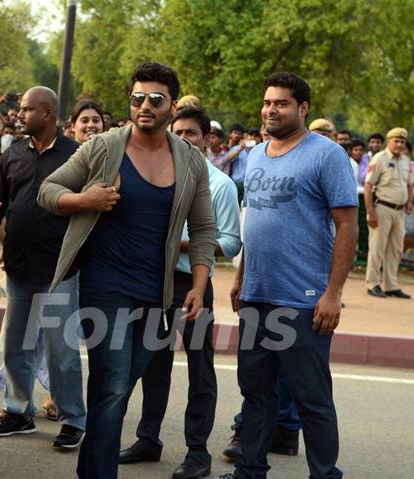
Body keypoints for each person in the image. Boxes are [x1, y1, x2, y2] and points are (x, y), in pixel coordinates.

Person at [38, 62, 218, 479]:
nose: (145, 106)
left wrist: (199, 284)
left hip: (159, 291)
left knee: (116, 388)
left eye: (156, 99)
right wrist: (85, 200)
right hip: (106, 287)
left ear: (172, 105)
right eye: (138, 98)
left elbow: (205, 228)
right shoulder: (103, 147)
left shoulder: (190, 160)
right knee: (114, 384)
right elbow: (49, 191)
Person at [220, 72, 358, 479]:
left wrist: (332, 293)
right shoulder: (258, 154)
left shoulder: (326, 155)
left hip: (302, 299)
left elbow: (347, 225)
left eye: (280, 103)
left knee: (311, 398)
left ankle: (324, 475)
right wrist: (241, 276)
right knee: (256, 394)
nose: (270, 110)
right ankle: (251, 470)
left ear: (303, 108)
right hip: (257, 295)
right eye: (267, 103)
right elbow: (257, 222)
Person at [119, 106, 241, 479]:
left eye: (193, 133)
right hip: (155, 282)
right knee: (152, 365)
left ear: (208, 139)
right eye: (180, 132)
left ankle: (198, 453)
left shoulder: (220, 184)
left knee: (200, 370)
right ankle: (148, 439)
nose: (185, 139)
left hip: (194, 286)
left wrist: (182, 243)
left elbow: (232, 243)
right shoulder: (159, 176)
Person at [0, 86, 87, 450]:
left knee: (62, 351)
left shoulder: (77, 156)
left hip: (61, 268)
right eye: (20, 109)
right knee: (16, 344)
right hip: (20, 265)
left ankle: (73, 418)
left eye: (27, 109)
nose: (20, 114)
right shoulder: (11, 155)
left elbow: (90, 211)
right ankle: (18, 411)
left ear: (49, 114)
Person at [364, 127, 413, 299]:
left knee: (396, 249)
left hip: (399, 211)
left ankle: (391, 285)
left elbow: (409, 183)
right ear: (388, 141)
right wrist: (370, 211)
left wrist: (409, 202)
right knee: (377, 247)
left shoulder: (406, 160)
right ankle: (373, 283)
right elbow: (368, 185)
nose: (399, 144)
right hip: (382, 207)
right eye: (396, 141)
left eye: (402, 141)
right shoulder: (380, 159)